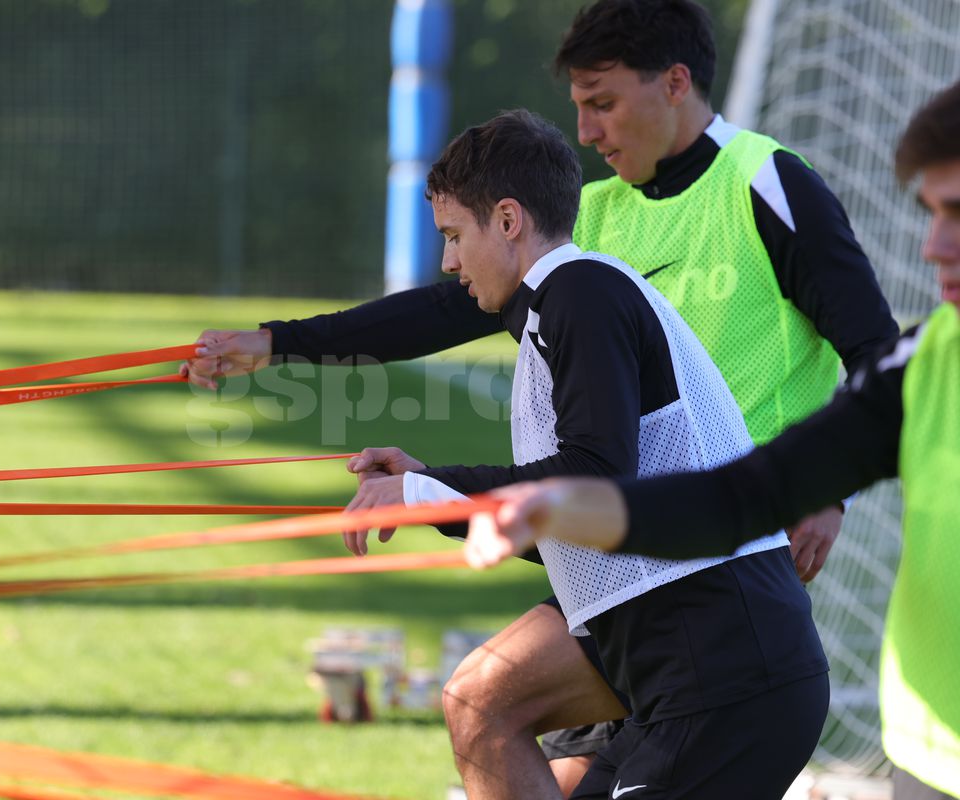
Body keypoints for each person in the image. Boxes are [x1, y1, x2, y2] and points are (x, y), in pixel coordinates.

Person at [182, 1, 897, 792]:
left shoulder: (760, 182)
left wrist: (825, 488)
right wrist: (280, 345)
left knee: (526, 714)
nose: (588, 131)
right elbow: (443, 310)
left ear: (675, 82)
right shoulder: (582, 225)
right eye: (578, 109)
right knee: (481, 705)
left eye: (603, 102)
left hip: (713, 578)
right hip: (622, 572)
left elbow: (873, 350)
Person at [463, 80, 960, 800]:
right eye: (932, 213)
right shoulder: (928, 360)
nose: (932, 245)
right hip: (931, 755)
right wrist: (556, 507)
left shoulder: (760, 181)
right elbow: (739, 497)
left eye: (957, 215)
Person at [346, 107, 828, 799]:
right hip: (684, 667)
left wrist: (429, 495)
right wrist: (433, 487)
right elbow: (578, 528)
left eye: (455, 236)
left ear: (508, 221)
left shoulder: (582, 292)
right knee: (479, 704)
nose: (449, 262)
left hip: (725, 667)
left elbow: (596, 480)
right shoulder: (560, 305)